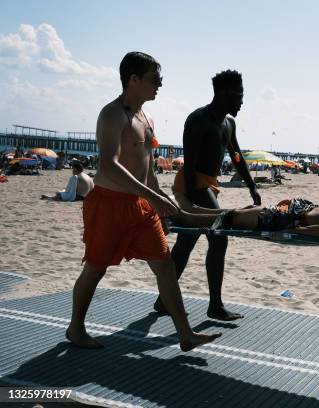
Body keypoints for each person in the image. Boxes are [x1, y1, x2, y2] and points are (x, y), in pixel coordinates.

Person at [65, 51, 221, 351]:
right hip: (109, 204)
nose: (159, 84)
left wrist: (160, 198)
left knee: (165, 266)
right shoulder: (111, 114)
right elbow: (109, 165)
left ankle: (185, 333)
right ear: (133, 79)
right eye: (154, 78)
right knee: (95, 268)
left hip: (141, 206)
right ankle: (76, 328)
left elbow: (146, 168)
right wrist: (152, 196)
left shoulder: (147, 117)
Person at [154, 70, 261, 321]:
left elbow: (236, 156)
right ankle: (215, 306)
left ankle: (162, 301)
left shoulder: (228, 123)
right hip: (191, 184)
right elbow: (190, 166)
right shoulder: (198, 119)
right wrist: (190, 205)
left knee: (186, 243)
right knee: (219, 237)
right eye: (239, 96)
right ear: (224, 94)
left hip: (208, 186)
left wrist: (252, 186)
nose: (242, 102)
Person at [172, 196, 319, 243]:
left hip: (289, 218)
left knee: (234, 218)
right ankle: (194, 210)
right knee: (244, 211)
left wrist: (292, 233)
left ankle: (185, 216)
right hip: (299, 206)